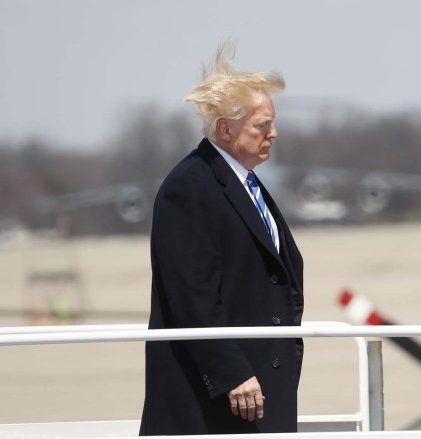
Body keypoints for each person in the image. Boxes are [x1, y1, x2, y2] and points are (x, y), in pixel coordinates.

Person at [139, 39, 304, 435]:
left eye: (273, 122)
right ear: (226, 129)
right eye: (262, 125)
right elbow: (191, 294)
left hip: (258, 392)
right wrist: (232, 373)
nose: (274, 133)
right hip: (220, 401)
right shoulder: (190, 186)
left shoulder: (243, 183)